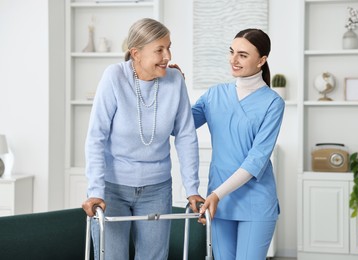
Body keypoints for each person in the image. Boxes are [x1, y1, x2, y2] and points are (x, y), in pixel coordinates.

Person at [82, 18, 204, 260]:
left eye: (169, 47)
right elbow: (96, 137)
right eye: (159, 49)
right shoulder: (114, 77)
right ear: (136, 53)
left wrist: (192, 189)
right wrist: (95, 190)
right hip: (112, 188)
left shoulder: (174, 80)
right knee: (112, 256)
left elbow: (186, 136)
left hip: (156, 189)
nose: (167, 55)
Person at [192, 28, 285, 260]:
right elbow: (177, 125)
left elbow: (256, 161)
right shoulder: (213, 96)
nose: (233, 60)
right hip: (220, 203)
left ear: (261, 60)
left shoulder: (273, 103)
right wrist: (169, 83)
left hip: (254, 202)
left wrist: (217, 194)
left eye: (243, 55)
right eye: (232, 52)